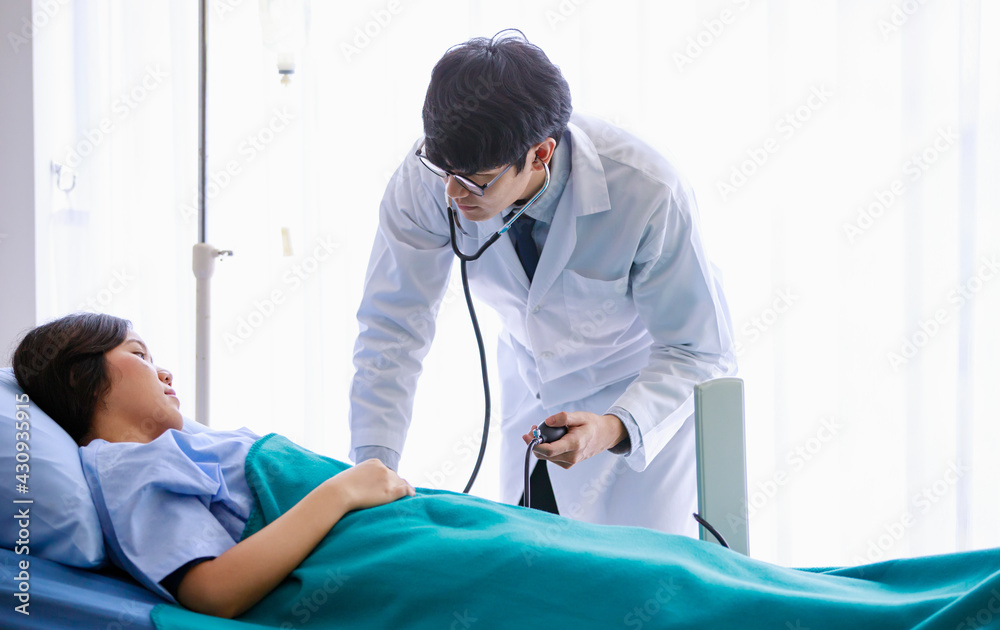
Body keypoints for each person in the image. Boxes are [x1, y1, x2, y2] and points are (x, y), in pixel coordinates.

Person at [13, 313, 1000, 630]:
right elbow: (215, 590)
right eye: (140, 351)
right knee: (665, 587)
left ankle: (947, 594)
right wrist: (349, 484)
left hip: (417, 532)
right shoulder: (122, 470)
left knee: (701, 579)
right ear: (83, 376)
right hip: (387, 553)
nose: (164, 364)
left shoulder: (163, 451)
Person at [349, 30, 736, 534]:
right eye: (443, 169)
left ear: (540, 154)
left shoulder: (646, 190)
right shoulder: (430, 175)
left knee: (636, 592)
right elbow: (392, 328)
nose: (451, 191)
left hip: (637, 404)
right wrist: (372, 468)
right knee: (533, 577)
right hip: (530, 394)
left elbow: (700, 351)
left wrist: (612, 428)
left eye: (476, 180)